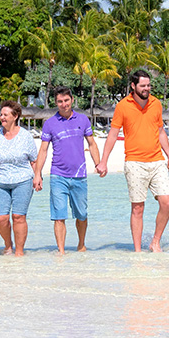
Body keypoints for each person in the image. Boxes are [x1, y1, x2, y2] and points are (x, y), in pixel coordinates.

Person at [96, 70, 169, 253]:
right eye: (143, 86)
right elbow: (113, 134)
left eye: (148, 85)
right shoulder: (122, 106)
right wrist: (103, 161)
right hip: (134, 162)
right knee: (138, 208)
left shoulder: (156, 104)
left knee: (167, 203)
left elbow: (160, 132)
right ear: (133, 86)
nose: (147, 89)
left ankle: (155, 241)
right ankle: (137, 251)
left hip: (157, 160)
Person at [34, 87, 100, 254]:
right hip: (58, 175)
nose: (63, 104)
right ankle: (61, 252)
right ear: (56, 103)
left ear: (72, 100)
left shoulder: (83, 120)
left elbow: (92, 144)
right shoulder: (49, 124)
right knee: (59, 216)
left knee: (82, 214)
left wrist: (98, 164)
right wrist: (37, 174)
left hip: (79, 176)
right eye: (60, 101)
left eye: (66, 100)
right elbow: (43, 150)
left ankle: (81, 244)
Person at [0, 100, 38, 256]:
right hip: (1, 181)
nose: (2, 117)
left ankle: (19, 251)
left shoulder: (25, 136)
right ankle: (7, 244)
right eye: (1, 114)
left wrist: (38, 177)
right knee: (0, 218)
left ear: (15, 116)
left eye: (5, 114)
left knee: (18, 216)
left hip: (23, 180)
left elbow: (34, 160)